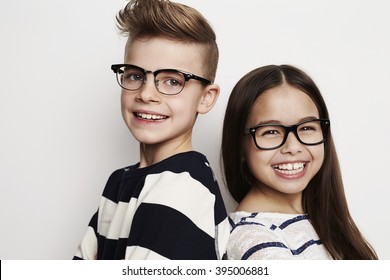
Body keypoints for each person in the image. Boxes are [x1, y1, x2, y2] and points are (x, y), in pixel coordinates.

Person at [73, 0, 229, 260]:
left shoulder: (184, 184)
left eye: (171, 81)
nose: (146, 94)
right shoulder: (119, 182)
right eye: (135, 75)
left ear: (206, 98)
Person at [221, 65, 378, 260]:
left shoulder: (321, 219)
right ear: (240, 146)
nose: (293, 147)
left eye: (306, 128)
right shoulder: (256, 240)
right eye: (270, 131)